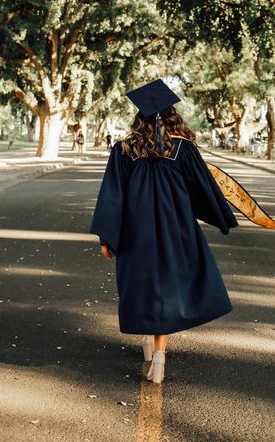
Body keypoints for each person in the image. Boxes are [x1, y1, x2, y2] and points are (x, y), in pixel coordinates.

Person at [90, 79, 238, 385]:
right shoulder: (182, 149)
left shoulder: (123, 150)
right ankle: (159, 355)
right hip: (176, 229)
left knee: (143, 283)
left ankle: (146, 339)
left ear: (138, 118)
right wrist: (221, 216)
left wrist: (108, 236)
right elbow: (203, 190)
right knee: (168, 288)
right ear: (172, 115)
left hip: (135, 231)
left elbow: (112, 196)